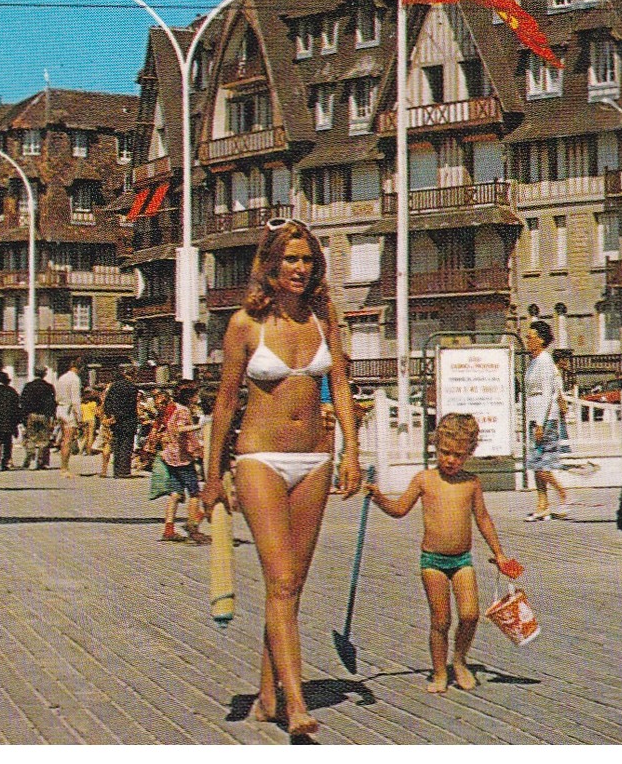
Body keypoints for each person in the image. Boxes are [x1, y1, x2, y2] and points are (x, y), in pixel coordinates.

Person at [199, 219, 361, 739]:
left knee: (291, 588)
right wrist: (211, 474)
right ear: (270, 265)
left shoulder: (322, 320)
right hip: (259, 459)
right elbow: (225, 402)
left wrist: (351, 454)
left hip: (315, 459)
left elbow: (339, 385)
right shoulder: (246, 323)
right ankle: (296, 706)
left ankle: (267, 695)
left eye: (307, 260)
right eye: (290, 259)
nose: (299, 269)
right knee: (282, 582)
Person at [367, 413, 518, 693]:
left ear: (469, 454)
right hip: (433, 562)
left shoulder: (471, 483)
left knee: (471, 614)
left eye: (459, 455)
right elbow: (399, 510)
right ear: (436, 446)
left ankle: (459, 661)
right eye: (446, 452)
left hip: (462, 560)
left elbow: (483, 518)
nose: (451, 460)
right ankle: (439, 672)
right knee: (440, 620)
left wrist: (499, 554)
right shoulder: (424, 480)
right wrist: (378, 498)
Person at [522, 320, 570, 522]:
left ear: (541, 340)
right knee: (536, 463)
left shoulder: (545, 361)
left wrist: (540, 422)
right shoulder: (534, 361)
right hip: (534, 417)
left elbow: (547, 394)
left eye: (530, 337)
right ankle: (542, 504)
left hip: (545, 418)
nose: (527, 340)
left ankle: (563, 493)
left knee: (541, 464)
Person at [157, 382, 210, 544]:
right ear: (188, 396)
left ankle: (169, 529)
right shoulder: (183, 410)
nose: (196, 398)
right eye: (195, 395)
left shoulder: (172, 407)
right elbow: (179, 429)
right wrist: (198, 426)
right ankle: (193, 527)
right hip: (182, 457)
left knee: (175, 494)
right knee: (195, 493)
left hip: (170, 456)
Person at [102, 365, 141, 479]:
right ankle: (123, 470)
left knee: (117, 444)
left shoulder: (114, 386)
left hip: (115, 420)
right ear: (133, 375)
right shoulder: (132, 387)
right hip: (128, 419)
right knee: (126, 445)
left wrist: (110, 416)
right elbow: (130, 406)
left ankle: (116, 470)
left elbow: (107, 402)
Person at [19, 369, 57, 470]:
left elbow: (23, 402)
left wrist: (23, 417)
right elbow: (52, 403)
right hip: (44, 416)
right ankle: (41, 460)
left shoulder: (28, 386)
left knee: (31, 436)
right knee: (43, 439)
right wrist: (52, 416)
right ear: (44, 374)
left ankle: (30, 456)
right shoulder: (49, 387)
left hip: (31, 415)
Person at [55, 357, 84, 475]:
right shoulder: (75, 380)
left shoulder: (61, 378)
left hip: (60, 409)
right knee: (68, 440)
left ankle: (64, 466)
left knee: (63, 440)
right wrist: (80, 417)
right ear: (80, 368)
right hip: (69, 411)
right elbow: (75, 400)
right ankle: (64, 468)